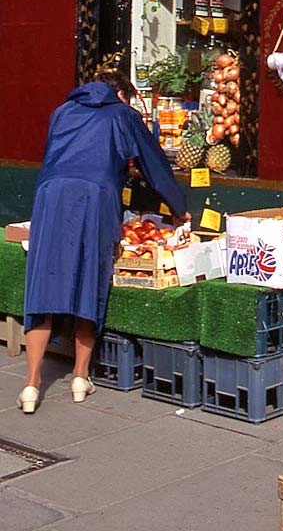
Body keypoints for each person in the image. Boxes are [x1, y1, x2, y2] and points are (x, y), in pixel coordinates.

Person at [19, 67, 189, 414]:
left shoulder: (62, 110)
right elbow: (155, 165)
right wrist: (179, 208)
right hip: (95, 199)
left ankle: (30, 385)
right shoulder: (123, 114)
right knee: (89, 282)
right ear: (122, 95)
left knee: (43, 286)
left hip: (51, 197)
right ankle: (80, 377)